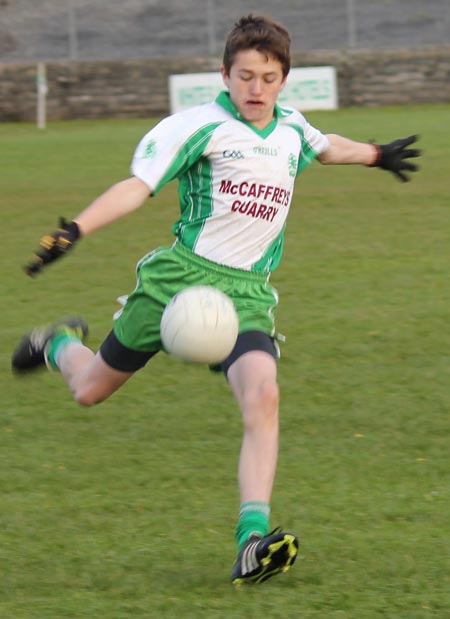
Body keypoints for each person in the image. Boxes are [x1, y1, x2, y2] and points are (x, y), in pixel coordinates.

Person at [12, 14, 420, 585]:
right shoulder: (195, 127)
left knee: (264, 398)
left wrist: (376, 154)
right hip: (175, 284)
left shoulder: (290, 128)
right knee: (90, 391)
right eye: (246, 76)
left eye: (269, 77)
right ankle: (56, 343)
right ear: (223, 73)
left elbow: (326, 148)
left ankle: (251, 542)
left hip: (248, 295)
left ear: (284, 79)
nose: (257, 89)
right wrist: (75, 229)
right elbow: (138, 185)